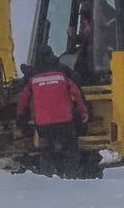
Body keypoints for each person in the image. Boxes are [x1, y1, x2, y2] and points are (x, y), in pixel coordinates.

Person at [16, 44, 90, 176]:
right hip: (64, 121)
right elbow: (76, 92)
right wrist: (83, 111)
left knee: (46, 150)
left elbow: (23, 98)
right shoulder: (63, 73)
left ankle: (47, 176)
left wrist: (21, 116)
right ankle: (71, 176)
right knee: (70, 148)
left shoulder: (33, 77)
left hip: (43, 123)